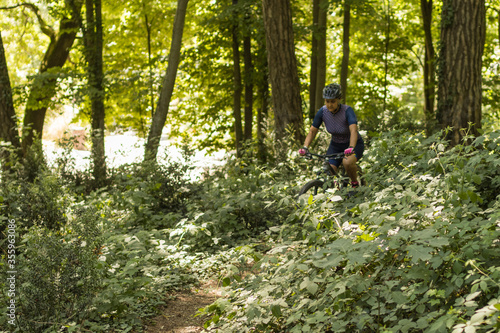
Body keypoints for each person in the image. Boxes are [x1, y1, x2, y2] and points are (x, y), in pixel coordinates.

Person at [299, 83, 364, 187]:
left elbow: (353, 131)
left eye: (333, 101)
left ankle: (354, 183)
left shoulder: (347, 111)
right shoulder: (323, 112)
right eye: (327, 101)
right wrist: (305, 147)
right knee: (329, 173)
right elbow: (312, 131)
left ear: (339, 99)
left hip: (353, 144)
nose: (330, 104)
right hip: (336, 145)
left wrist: (351, 147)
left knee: (347, 162)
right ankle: (336, 193)